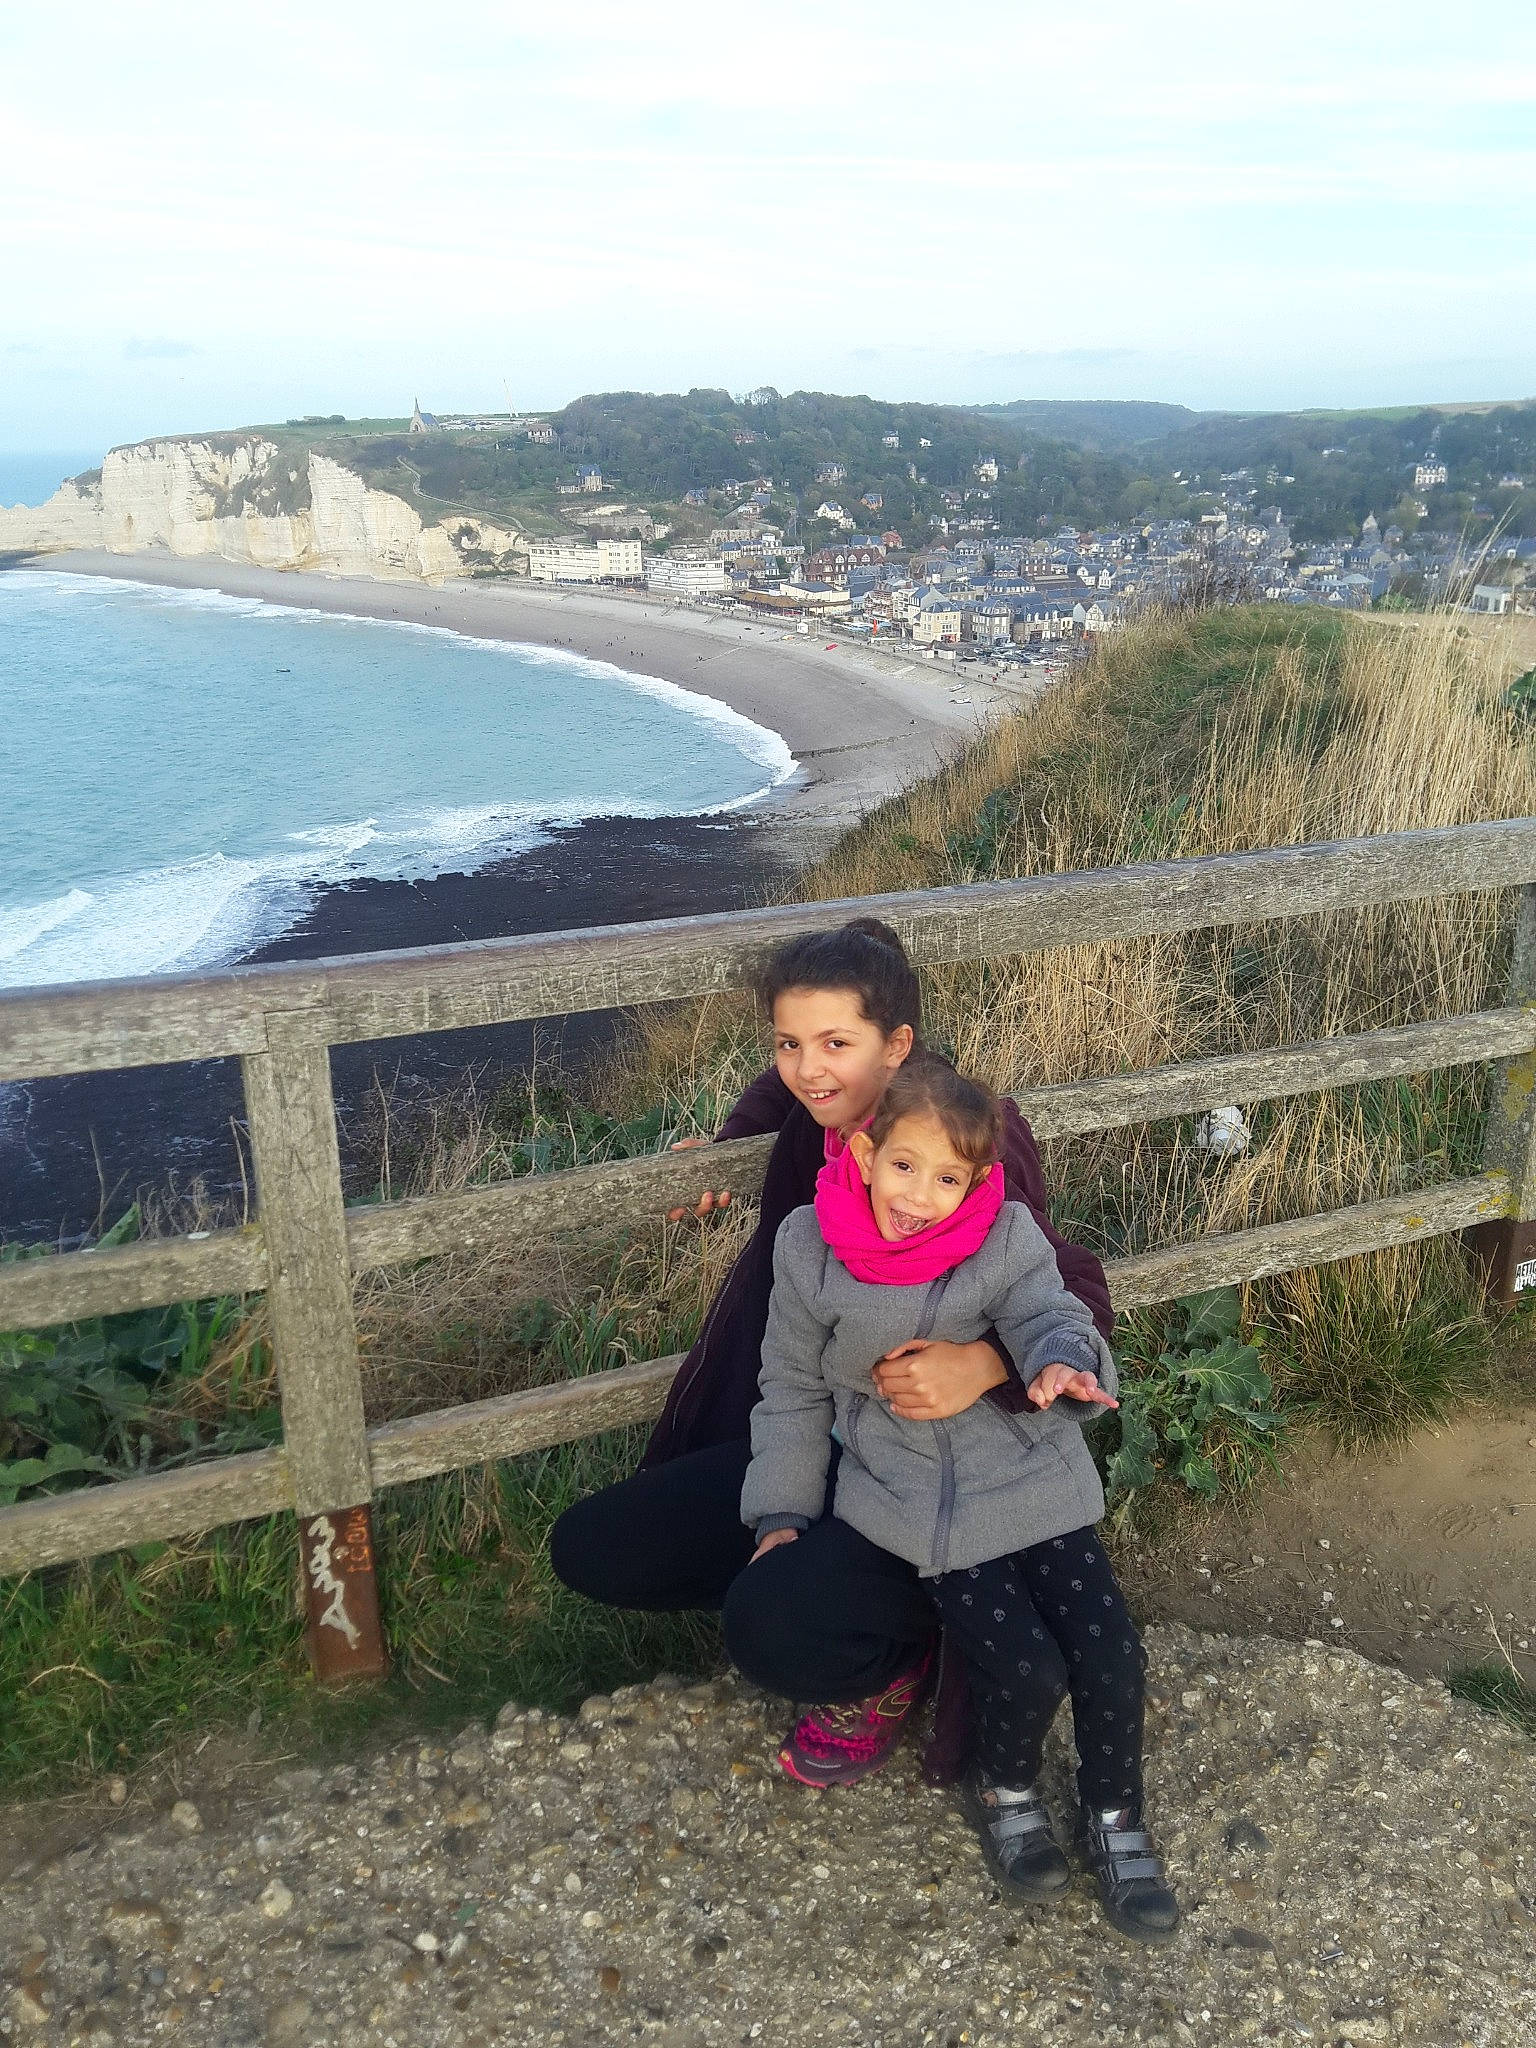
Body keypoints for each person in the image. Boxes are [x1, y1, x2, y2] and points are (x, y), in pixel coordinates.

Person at [548, 922, 1125, 1881]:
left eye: (836, 1045)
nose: (811, 1070)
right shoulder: (822, 1115)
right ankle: (821, 1583)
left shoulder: (964, 1138)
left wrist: (982, 1364)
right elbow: (788, 1083)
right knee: (598, 1547)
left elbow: (1068, 1285)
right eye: (789, 1041)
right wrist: (726, 1151)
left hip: (948, 1474)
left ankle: (896, 1657)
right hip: (827, 1433)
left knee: (767, 1627)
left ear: (897, 1047)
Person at [741, 1051, 1177, 1940]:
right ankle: (1008, 1789)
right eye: (903, 1166)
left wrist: (1062, 1360)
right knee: (1024, 1663)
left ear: (979, 1180)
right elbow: (789, 1389)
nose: (918, 1195)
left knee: (1112, 1655)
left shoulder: (1004, 1237)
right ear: (864, 1156)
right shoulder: (809, 1250)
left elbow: (1053, 1312)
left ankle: (1116, 1817)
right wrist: (781, 1515)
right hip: (921, 1504)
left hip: (1031, 1474)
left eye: (947, 1178)